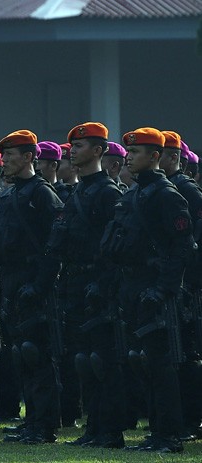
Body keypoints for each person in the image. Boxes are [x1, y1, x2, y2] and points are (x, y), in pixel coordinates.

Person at [102, 128, 193, 453]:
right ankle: (156, 432)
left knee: (160, 364)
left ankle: (168, 435)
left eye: (136, 152)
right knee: (142, 362)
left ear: (154, 156)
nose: (129, 157)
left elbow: (183, 247)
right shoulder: (134, 194)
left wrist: (164, 289)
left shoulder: (167, 195)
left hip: (155, 289)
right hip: (132, 286)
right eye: (128, 151)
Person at [0, 130, 63, 444]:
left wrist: (39, 285)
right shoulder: (7, 196)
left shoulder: (42, 194)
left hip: (33, 281)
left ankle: (45, 424)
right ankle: (32, 421)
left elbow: (55, 245)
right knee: (20, 354)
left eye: (10, 156)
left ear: (28, 157)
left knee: (36, 353)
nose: (5, 161)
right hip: (10, 282)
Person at [48, 122, 125, 447]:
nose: (72, 152)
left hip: (99, 284)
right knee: (83, 360)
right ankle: (93, 427)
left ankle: (110, 430)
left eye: (79, 146)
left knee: (102, 360)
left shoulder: (108, 193)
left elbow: (116, 248)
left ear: (98, 151)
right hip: (76, 282)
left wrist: (103, 284)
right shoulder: (78, 192)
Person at [158, 130, 202, 442]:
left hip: (187, 282)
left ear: (174, 157)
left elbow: (193, 241)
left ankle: (192, 419)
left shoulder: (187, 190)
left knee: (186, 352)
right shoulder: (159, 189)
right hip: (169, 279)